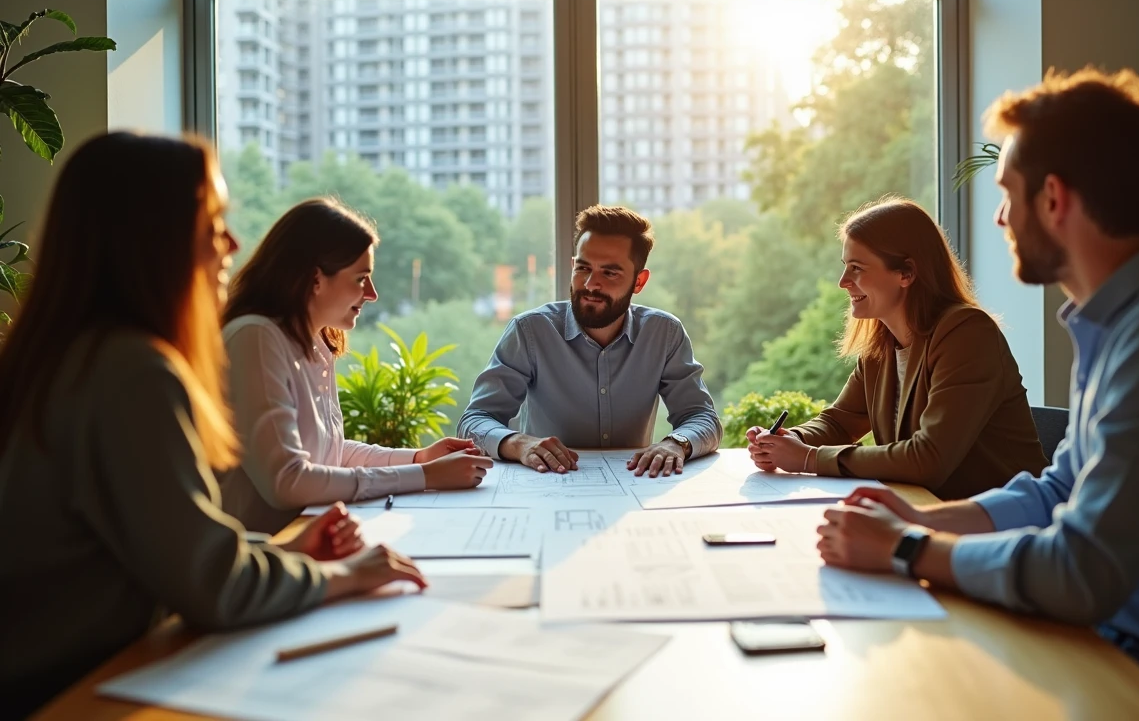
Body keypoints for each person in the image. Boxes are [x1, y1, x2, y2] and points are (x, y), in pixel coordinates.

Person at [0, 133, 425, 718]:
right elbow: (211, 584)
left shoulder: (70, 356)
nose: (233, 242)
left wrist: (278, 551)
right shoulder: (134, 372)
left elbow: (156, 542)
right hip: (72, 691)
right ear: (150, 238)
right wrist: (346, 577)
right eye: (213, 221)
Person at [817, 68, 1139, 707]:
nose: (1000, 217)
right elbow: (1059, 488)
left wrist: (910, 547)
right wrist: (922, 518)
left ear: (1053, 199)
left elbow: (1082, 573)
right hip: (1109, 638)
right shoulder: (1121, 321)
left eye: (1007, 194)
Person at [220, 198, 493, 534]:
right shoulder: (255, 338)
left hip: (307, 537)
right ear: (315, 279)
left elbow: (331, 454)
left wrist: (420, 458)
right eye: (361, 278)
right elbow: (287, 480)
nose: (372, 294)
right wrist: (425, 477)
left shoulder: (314, 344)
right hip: (263, 556)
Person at [746, 197, 1045, 500]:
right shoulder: (882, 344)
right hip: (928, 513)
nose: (843, 282)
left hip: (1002, 526)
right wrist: (787, 440)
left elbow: (928, 459)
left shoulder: (967, 333)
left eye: (857, 268)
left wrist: (809, 458)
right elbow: (840, 422)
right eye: (844, 267)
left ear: (906, 273)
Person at [459, 204, 722, 477]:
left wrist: (676, 444)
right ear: (573, 266)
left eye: (610, 273)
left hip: (633, 489)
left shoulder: (664, 334)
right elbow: (474, 421)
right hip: (546, 488)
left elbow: (703, 418)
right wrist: (517, 444)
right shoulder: (530, 331)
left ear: (639, 282)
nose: (590, 284)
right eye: (583, 268)